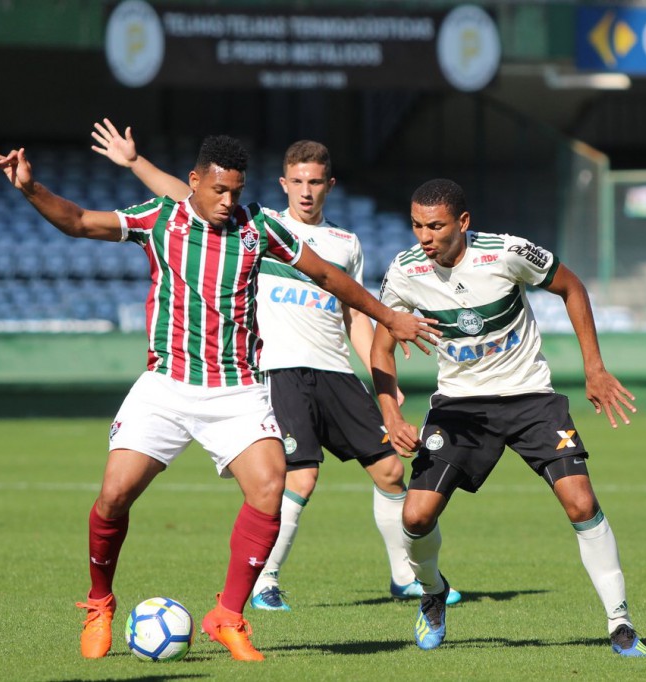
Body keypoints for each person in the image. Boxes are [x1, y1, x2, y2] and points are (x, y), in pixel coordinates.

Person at [0, 138, 439, 662]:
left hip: (237, 388)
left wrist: (389, 317)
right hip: (167, 385)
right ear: (195, 181)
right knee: (113, 496)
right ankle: (99, 602)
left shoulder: (259, 228)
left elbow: (327, 275)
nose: (228, 201)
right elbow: (81, 221)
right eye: (219, 189)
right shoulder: (160, 219)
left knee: (271, 488)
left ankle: (228, 614)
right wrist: (30, 189)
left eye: (236, 191)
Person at [89, 120, 461, 610]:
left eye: (316, 182)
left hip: (335, 371)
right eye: (298, 182)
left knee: (392, 471)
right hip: (277, 369)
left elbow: (355, 315)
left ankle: (403, 576)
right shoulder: (255, 226)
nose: (307, 192)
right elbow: (189, 197)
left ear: (331, 185)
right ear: (284, 184)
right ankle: (264, 581)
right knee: (299, 477)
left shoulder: (346, 243)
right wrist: (136, 162)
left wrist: (384, 393)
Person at [370, 178, 646, 657]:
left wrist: (595, 369)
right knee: (415, 517)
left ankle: (620, 623)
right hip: (459, 407)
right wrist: (391, 413)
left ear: (463, 222)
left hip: (530, 398)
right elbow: (382, 344)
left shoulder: (507, 253)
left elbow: (571, 286)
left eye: (435, 226)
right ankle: (433, 593)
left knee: (581, 504)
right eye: (417, 225)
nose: (424, 237)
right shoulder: (404, 271)